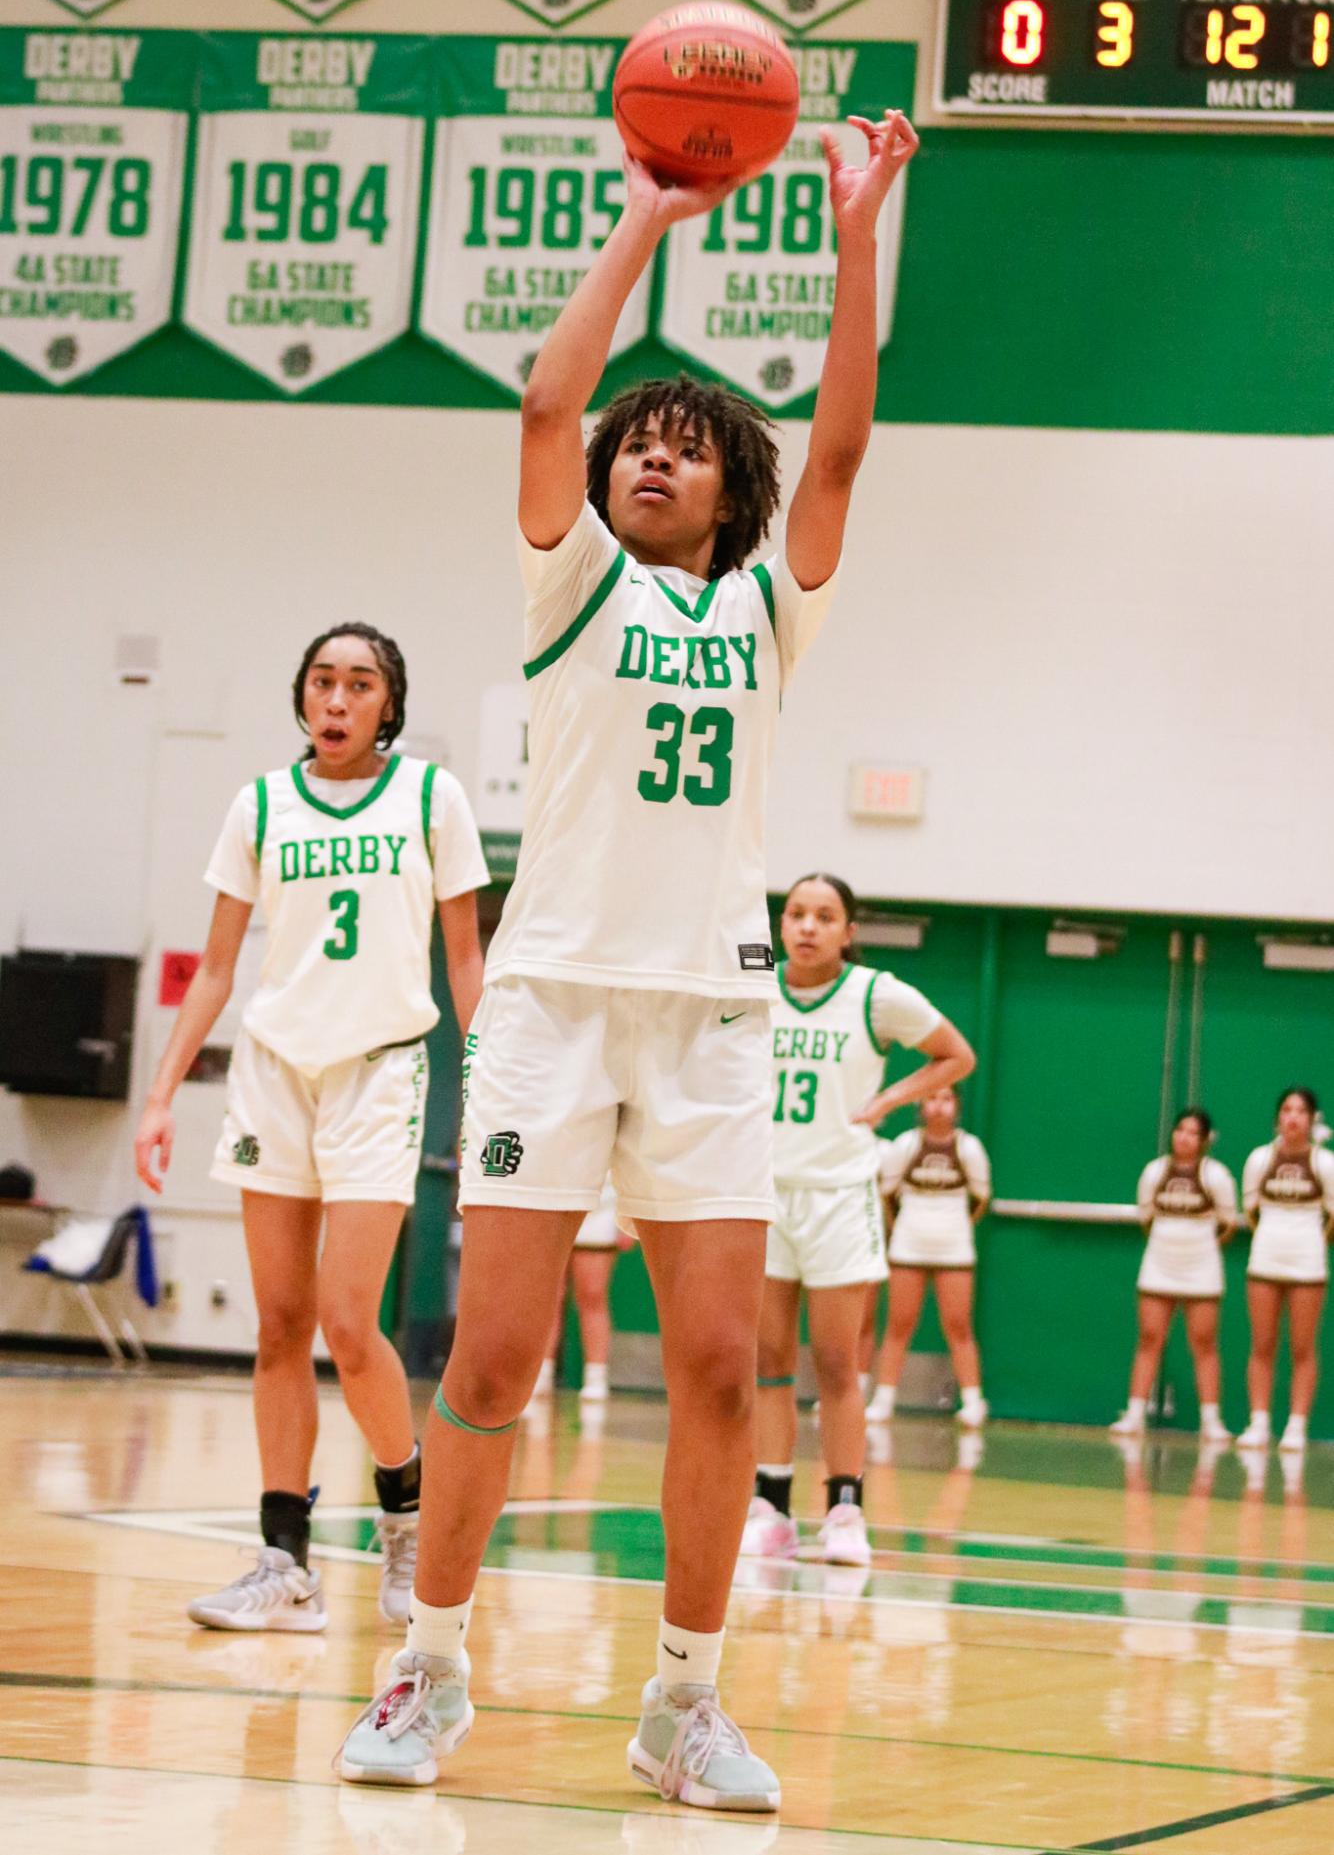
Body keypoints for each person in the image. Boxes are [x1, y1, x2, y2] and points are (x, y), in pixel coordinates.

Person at [337, 107, 920, 1810]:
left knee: (721, 1368)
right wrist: (647, 218)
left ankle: (681, 1701)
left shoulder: (762, 607)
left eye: (684, 445)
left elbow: (839, 452)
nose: (647, 456)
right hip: (552, 1010)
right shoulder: (571, 586)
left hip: (711, 1021)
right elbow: (538, 402)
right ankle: (424, 1670)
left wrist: (850, 231)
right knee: (497, 1362)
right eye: (633, 441)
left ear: (727, 493)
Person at [133, 622, 487, 1630]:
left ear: (390, 704)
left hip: (377, 1071)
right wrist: (160, 1095)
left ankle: (403, 1509)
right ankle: (282, 1561)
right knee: (279, 1325)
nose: (337, 700)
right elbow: (214, 968)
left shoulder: (432, 799)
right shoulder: (259, 804)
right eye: (322, 683)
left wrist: (488, 1080)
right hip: (273, 1072)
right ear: (302, 699)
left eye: (359, 684)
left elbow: (464, 964)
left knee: (346, 1319)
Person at [740, 874, 974, 1568]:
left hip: (840, 1195)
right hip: (766, 1191)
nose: (808, 926)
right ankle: (771, 1506)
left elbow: (957, 1054)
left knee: (840, 1361)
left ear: (849, 931)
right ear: (782, 926)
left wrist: (890, 1099)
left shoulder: (876, 994)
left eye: (826, 915)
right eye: (797, 914)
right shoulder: (752, 988)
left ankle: (844, 1508)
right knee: (769, 1361)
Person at [1109, 1108, 1238, 1444]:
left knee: (1204, 1344)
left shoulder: (1218, 1176)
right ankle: (1134, 1414)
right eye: (1180, 1129)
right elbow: (1146, 1215)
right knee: (1149, 1338)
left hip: (1202, 1267)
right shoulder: (1153, 1172)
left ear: (1205, 1140)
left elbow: (1227, 1223)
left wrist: (1199, 1244)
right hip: (1159, 1263)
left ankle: (1212, 1422)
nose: (1184, 1137)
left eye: (1193, 1132)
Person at [867, 1087, 992, 1427]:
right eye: (932, 1098)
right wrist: (905, 1229)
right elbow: (887, 1196)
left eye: (947, 1099)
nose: (939, 1106)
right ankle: (883, 1400)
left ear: (957, 1107)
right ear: (921, 1105)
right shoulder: (904, 1146)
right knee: (898, 1325)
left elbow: (980, 1199)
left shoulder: (970, 1148)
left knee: (959, 1325)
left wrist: (955, 1228)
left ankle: (973, 1402)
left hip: (954, 1247)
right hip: (908, 1245)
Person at [1237, 1087, 1334, 1454]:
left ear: (1312, 1120)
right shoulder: (1259, 1159)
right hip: (1264, 1258)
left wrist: (1308, 1241)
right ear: (1278, 1118)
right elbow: (1252, 1211)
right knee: (1262, 1345)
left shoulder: (1326, 1163)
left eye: (1301, 1111)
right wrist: (1276, 1236)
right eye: (1287, 1110)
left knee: (1303, 1347)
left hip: (1308, 1261)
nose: (1293, 1117)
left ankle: (1296, 1426)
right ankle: (1259, 1423)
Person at [533, 1180, 634, 1405]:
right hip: (553, 1204)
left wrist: (625, 1220)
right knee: (549, 1297)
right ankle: (540, 1373)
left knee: (592, 1296)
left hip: (602, 1207)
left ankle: (596, 1376)